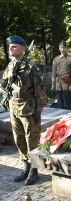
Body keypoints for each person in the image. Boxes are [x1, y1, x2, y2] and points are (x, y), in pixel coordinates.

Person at [0, 35, 48, 185]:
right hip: (14, 107)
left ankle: (34, 171)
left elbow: (40, 90)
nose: (10, 48)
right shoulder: (10, 65)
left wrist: (39, 109)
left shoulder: (31, 67)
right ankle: (26, 167)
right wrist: (4, 91)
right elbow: (3, 83)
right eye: (10, 46)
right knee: (19, 139)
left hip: (29, 109)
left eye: (14, 46)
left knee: (31, 140)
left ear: (22, 48)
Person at [52, 40, 71, 110]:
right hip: (58, 84)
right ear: (59, 48)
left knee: (68, 105)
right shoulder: (56, 59)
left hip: (67, 84)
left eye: (64, 47)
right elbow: (54, 73)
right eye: (61, 47)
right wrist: (53, 84)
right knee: (60, 105)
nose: (62, 49)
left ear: (67, 48)